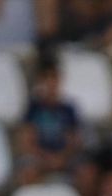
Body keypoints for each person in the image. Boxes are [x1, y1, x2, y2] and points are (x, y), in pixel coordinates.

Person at [15, 52, 83, 185]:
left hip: (63, 158)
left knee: (85, 171)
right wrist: (46, 158)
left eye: (54, 77)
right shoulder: (32, 108)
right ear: (40, 81)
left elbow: (73, 142)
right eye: (46, 78)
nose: (50, 83)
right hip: (39, 158)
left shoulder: (68, 109)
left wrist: (61, 158)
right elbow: (26, 142)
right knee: (28, 170)